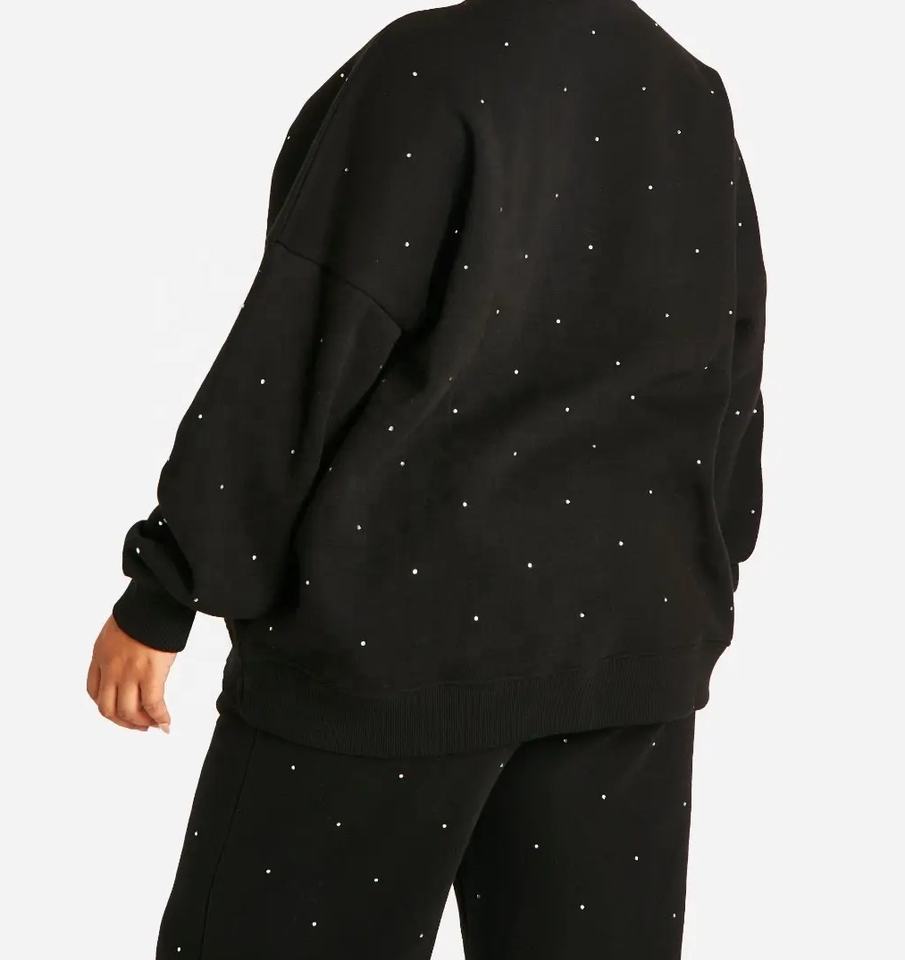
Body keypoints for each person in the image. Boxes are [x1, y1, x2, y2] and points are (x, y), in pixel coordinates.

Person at [87, 0, 767, 956]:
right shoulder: (686, 90)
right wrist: (697, 573)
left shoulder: (428, 68)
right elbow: (728, 360)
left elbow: (310, 340)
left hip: (393, 645)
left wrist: (166, 589)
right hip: (627, 640)